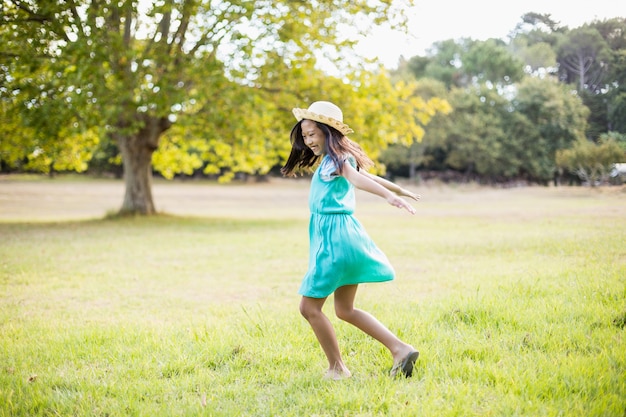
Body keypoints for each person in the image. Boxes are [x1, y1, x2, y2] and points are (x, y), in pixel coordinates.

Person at [281, 101, 420, 380]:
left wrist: (389, 197)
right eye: (305, 136)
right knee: (345, 310)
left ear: (328, 131)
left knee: (309, 308)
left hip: (334, 239)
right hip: (347, 236)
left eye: (313, 135)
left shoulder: (337, 159)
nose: (308, 141)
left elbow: (357, 179)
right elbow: (367, 175)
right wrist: (398, 188)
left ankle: (337, 369)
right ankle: (400, 349)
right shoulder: (339, 157)